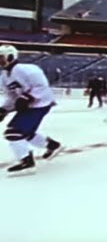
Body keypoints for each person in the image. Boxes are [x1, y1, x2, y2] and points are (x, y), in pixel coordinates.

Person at [0, 44, 62, 174]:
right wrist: (4, 109)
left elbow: (42, 87)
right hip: (29, 107)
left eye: (1, 58)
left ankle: (27, 162)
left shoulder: (28, 69)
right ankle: (52, 146)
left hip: (40, 104)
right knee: (25, 133)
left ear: (11, 57)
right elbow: (11, 97)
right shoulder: (4, 77)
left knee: (14, 132)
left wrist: (28, 97)